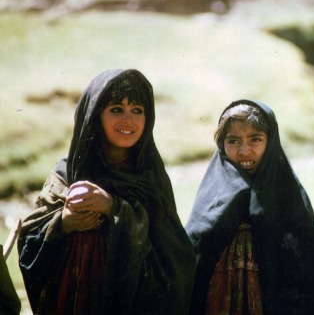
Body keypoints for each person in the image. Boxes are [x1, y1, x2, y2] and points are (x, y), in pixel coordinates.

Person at [17, 69, 195, 315]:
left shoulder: (150, 176)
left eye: (137, 110)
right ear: (94, 115)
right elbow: (30, 239)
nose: (128, 120)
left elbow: (174, 253)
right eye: (116, 109)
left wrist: (114, 208)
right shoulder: (66, 174)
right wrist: (64, 223)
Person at [185, 99, 314, 314]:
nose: (244, 150)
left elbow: (312, 266)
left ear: (271, 142)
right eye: (233, 141)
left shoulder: (289, 197)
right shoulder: (211, 196)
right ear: (222, 145)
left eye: (255, 139)